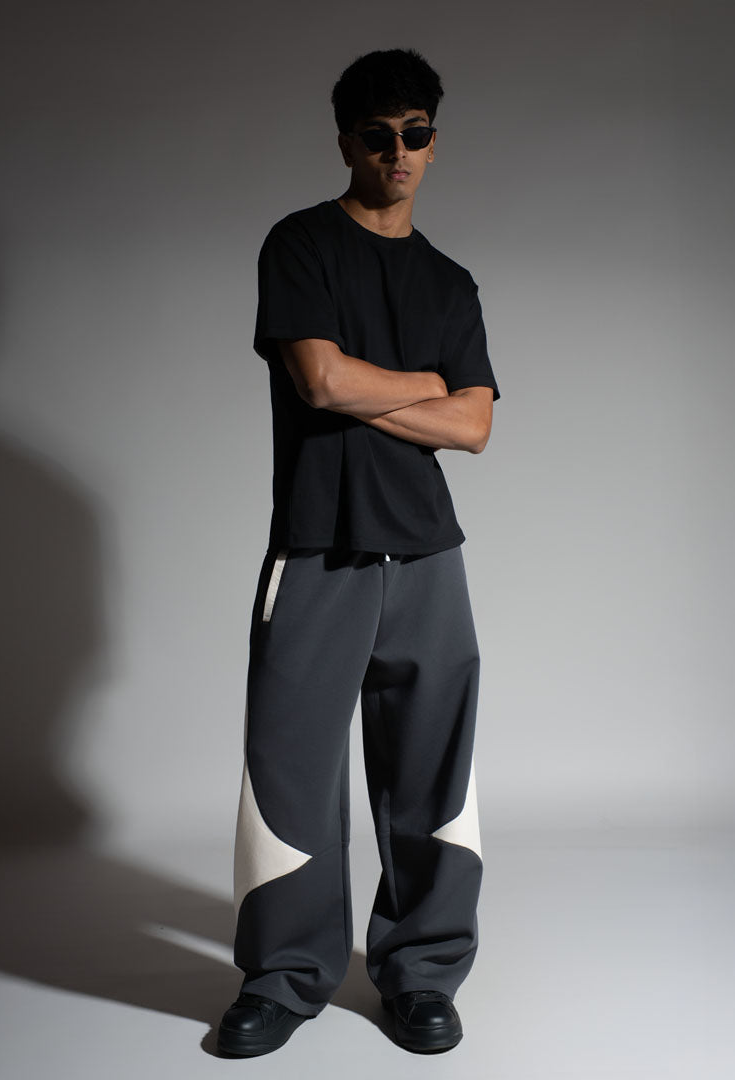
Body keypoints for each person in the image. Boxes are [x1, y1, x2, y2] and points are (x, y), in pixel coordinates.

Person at [217, 47, 500, 1057]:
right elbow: (320, 382)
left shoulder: (450, 283)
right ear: (346, 142)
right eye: (378, 136)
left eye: (415, 134)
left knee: (434, 771)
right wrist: (424, 385)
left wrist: (382, 386)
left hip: (428, 557)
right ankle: (284, 977)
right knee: (290, 772)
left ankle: (422, 973)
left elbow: (476, 427)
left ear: (434, 142)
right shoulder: (299, 246)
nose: (398, 153)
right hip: (318, 548)